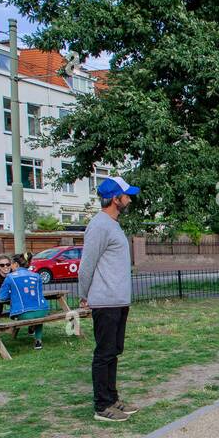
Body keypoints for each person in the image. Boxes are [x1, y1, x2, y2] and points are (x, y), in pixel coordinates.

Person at [79, 176, 138, 422]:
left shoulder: (113, 225)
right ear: (115, 199)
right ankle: (102, 406)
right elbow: (86, 265)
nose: (130, 198)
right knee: (104, 353)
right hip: (105, 302)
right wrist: (84, 296)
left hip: (118, 301)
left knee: (113, 351)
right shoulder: (100, 225)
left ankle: (112, 399)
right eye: (126, 195)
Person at [0, 253, 50, 350]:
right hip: (42, 310)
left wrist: (12, 294)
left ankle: (31, 328)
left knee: (30, 313)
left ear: (16, 264)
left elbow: (2, 297)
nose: (10, 266)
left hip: (23, 313)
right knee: (37, 313)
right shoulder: (36, 276)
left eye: (11, 264)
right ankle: (38, 340)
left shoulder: (10, 277)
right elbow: (39, 293)